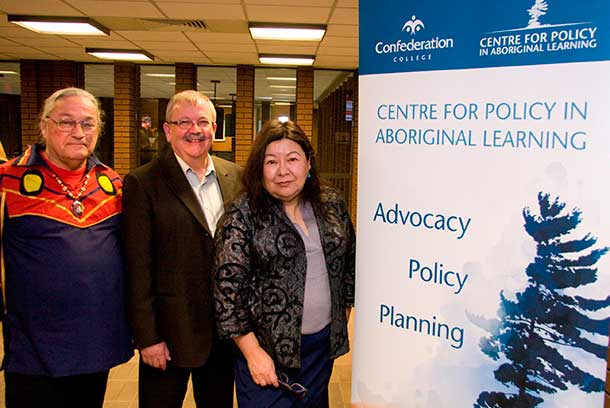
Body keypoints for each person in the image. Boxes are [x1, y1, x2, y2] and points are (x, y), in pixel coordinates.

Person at [0, 87, 133, 407]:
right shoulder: (8, 180)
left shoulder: (112, 183)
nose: (78, 132)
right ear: (44, 126)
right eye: (66, 122)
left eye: (88, 124)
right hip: (34, 349)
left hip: (94, 344)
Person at [214, 119, 356, 407]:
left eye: (292, 159)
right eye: (271, 162)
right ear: (259, 169)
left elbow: (349, 268)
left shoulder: (331, 204)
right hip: (267, 356)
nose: (283, 171)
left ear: (308, 164)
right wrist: (253, 354)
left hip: (319, 352)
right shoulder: (242, 215)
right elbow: (226, 295)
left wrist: (338, 323)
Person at [122, 90, 241, 408]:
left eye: (203, 121)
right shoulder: (142, 183)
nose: (195, 129)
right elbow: (137, 266)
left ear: (215, 128)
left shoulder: (236, 177)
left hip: (224, 335)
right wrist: (147, 337)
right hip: (169, 335)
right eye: (184, 122)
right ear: (167, 129)